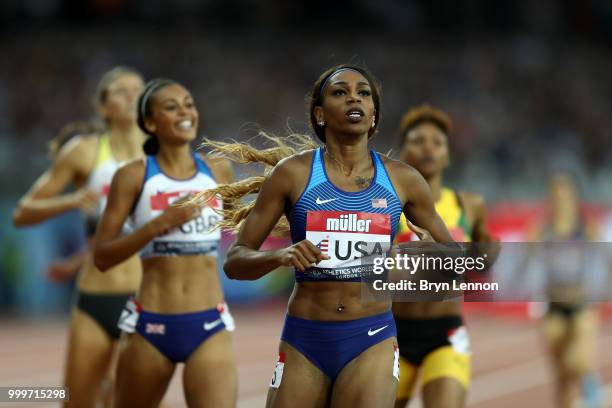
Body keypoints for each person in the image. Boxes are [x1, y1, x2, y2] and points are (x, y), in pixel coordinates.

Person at [202, 65, 456, 408]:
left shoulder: (403, 180)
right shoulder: (292, 174)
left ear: (374, 115)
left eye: (364, 93)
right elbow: (235, 261)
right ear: (320, 114)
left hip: (371, 338)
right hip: (304, 339)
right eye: (341, 92)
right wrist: (279, 256)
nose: (355, 97)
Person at [93, 78, 236, 407]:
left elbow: (239, 227)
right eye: (171, 107)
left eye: (189, 104)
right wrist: (160, 224)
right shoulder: (133, 176)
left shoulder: (218, 170)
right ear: (150, 122)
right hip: (150, 326)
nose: (185, 112)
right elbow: (102, 256)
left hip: (209, 324)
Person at [13, 67, 145, 407]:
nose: (131, 95)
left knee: (126, 397)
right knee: (74, 399)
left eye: (137, 89)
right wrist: (71, 199)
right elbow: (23, 212)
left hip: (146, 298)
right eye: (120, 91)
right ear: (103, 108)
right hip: (94, 297)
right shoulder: (84, 151)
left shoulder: (164, 155)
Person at [392, 105, 497, 408]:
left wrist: (486, 254)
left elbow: (483, 257)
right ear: (402, 150)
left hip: (446, 331)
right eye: (417, 140)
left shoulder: (469, 205)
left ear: (447, 155)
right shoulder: (386, 206)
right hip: (392, 333)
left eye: (436, 142)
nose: (427, 148)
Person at [537, 173, 601, 408]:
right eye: (555, 194)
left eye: (565, 194)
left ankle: (592, 392)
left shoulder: (586, 228)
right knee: (562, 381)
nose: (560, 199)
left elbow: (604, 261)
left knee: (580, 362)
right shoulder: (542, 230)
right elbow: (526, 265)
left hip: (581, 306)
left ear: (574, 197)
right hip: (553, 309)